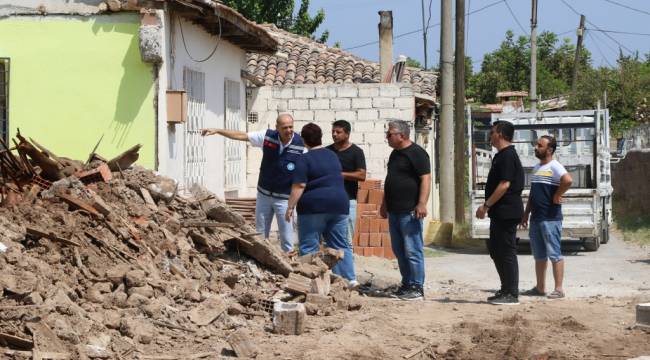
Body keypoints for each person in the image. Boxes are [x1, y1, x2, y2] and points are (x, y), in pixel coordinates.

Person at [200, 113, 304, 253]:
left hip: (284, 199)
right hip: (264, 196)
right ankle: (262, 265)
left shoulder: (301, 145)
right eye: (284, 127)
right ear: (277, 127)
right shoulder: (267, 137)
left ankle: (291, 267)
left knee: (287, 238)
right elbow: (242, 136)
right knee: (260, 235)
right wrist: (218, 130)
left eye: (291, 127)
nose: (288, 130)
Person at [284, 123, 356, 284]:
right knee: (340, 245)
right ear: (321, 137)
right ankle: (348, 280)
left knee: (309, 246)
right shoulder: (332, 156)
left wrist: (290, 207)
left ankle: (310, 282)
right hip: (339, 205)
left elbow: (299, 185)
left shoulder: (304, 159)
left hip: (314, 207)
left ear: (303, 140)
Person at [379, 120, 431, 301]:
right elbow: (390, 179)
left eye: (390, 134)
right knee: (399, 249)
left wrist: (422, 203)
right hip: (394, 210)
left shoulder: (417, 153)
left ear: (401, 135)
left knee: (412, 249)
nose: (387, 137)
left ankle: (417, 287)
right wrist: (384, 203)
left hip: (410, 211)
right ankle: (407, 283)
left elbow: (425, 179)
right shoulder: (395, 154)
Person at [475, 120, 525, 305]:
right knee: (496, 250)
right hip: (500, 212)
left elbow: (505, 184)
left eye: (492, 132)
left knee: (506, 251)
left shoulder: (507, 156)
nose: (490, 135)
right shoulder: (500, 155)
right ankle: (505, 289)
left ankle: (512, 293)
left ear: (501, 134)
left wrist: (486, 205)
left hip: (507, 211)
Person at [520, 135, 572, 299]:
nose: (536, 147)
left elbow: (568, 180)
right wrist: (526, 213)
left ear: (550, 149)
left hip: (550, 218)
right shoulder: (536, 168)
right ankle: (540, 288)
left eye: (540, 145)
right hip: (536, 218)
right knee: (539, 255)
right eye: (536, 144)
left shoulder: (555, 166)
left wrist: (557, 194)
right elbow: (533, 194)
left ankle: (559, 289)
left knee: (554, 254)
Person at [326, 119, 367, 242]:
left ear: (347, 134)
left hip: (348, 200)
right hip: (329, 200)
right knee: (329, 238)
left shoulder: (356, 152)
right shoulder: (327, 151)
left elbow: (362, 175)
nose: (334, 134)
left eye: (338, 132)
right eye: (333, 131)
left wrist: (340, 175)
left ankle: (348, 261)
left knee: (347, 239)